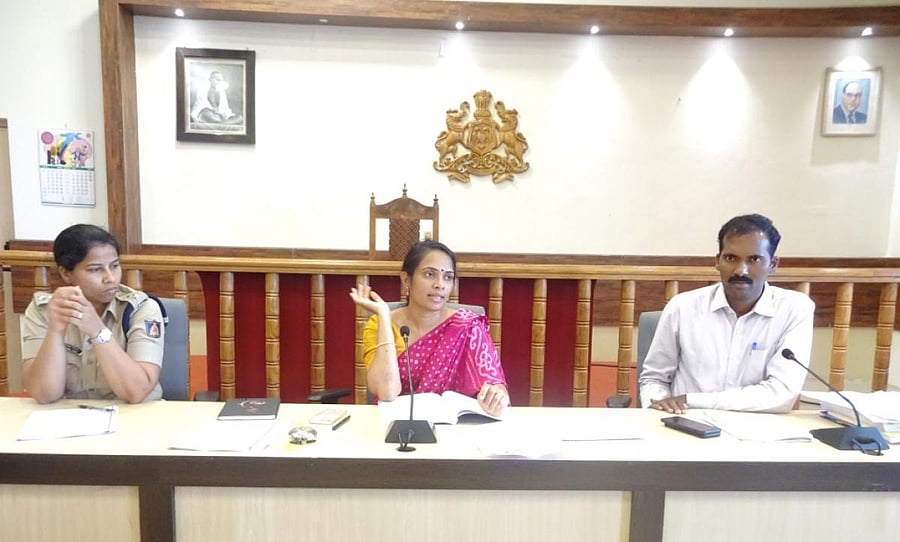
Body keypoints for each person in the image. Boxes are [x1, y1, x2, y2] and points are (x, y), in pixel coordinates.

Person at [639, 214, 815, 413]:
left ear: (773, 264)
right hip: (686, 425)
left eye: (754, 259)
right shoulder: (682, 307)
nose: (741, 271)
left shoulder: (794, 309)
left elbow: (781, 394)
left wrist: (691, 400)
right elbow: (654, 379)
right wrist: (662, 408)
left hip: (758, 432)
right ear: (717, 261)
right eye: (731, 258)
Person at [349, 240, 509, 416]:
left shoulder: (468, 326)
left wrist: (497, 396)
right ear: (406, 279)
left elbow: (496, 384)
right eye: (430, 274)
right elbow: (387, 392)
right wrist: (384, 316)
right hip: (395, 427)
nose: (440, 284)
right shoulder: (379, 324)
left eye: (448, 277)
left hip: (454, 429)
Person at [21, 224, 165, 403]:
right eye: (95, 269)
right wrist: (55, 331)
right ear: (66, 273)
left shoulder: (142, 308)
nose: (110, 278)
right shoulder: (43, 310)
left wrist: (97, 331)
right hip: (70, 418)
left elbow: (135, 392)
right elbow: (44, 394)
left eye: (114, 266)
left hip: (134, 416)